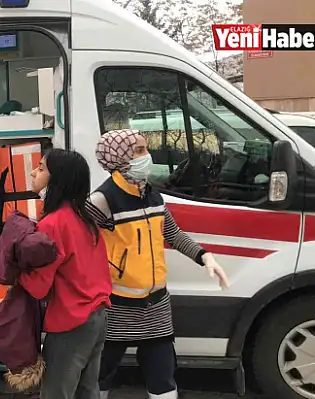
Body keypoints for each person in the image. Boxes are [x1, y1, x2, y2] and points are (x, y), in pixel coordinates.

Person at [86, 129, 230, 399]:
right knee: (100, 374)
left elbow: (173, 234)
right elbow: (78, 241)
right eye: (139, 151)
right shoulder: (102, 200)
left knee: (163, 375)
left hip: (156, 304)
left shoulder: (153, 196)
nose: (147, 156)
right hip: (116, 306)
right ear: (119, 157)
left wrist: (204, 256)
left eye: (145, 149)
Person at [16, 149, 113, 399]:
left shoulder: (52, 224)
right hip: (96, 316)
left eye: (41, 168)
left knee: (57, 393)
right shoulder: (84, 218)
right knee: (86, 390)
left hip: (71, 322)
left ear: (58, 178)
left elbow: (38, 286)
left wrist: (12, 273)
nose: (33, 172)